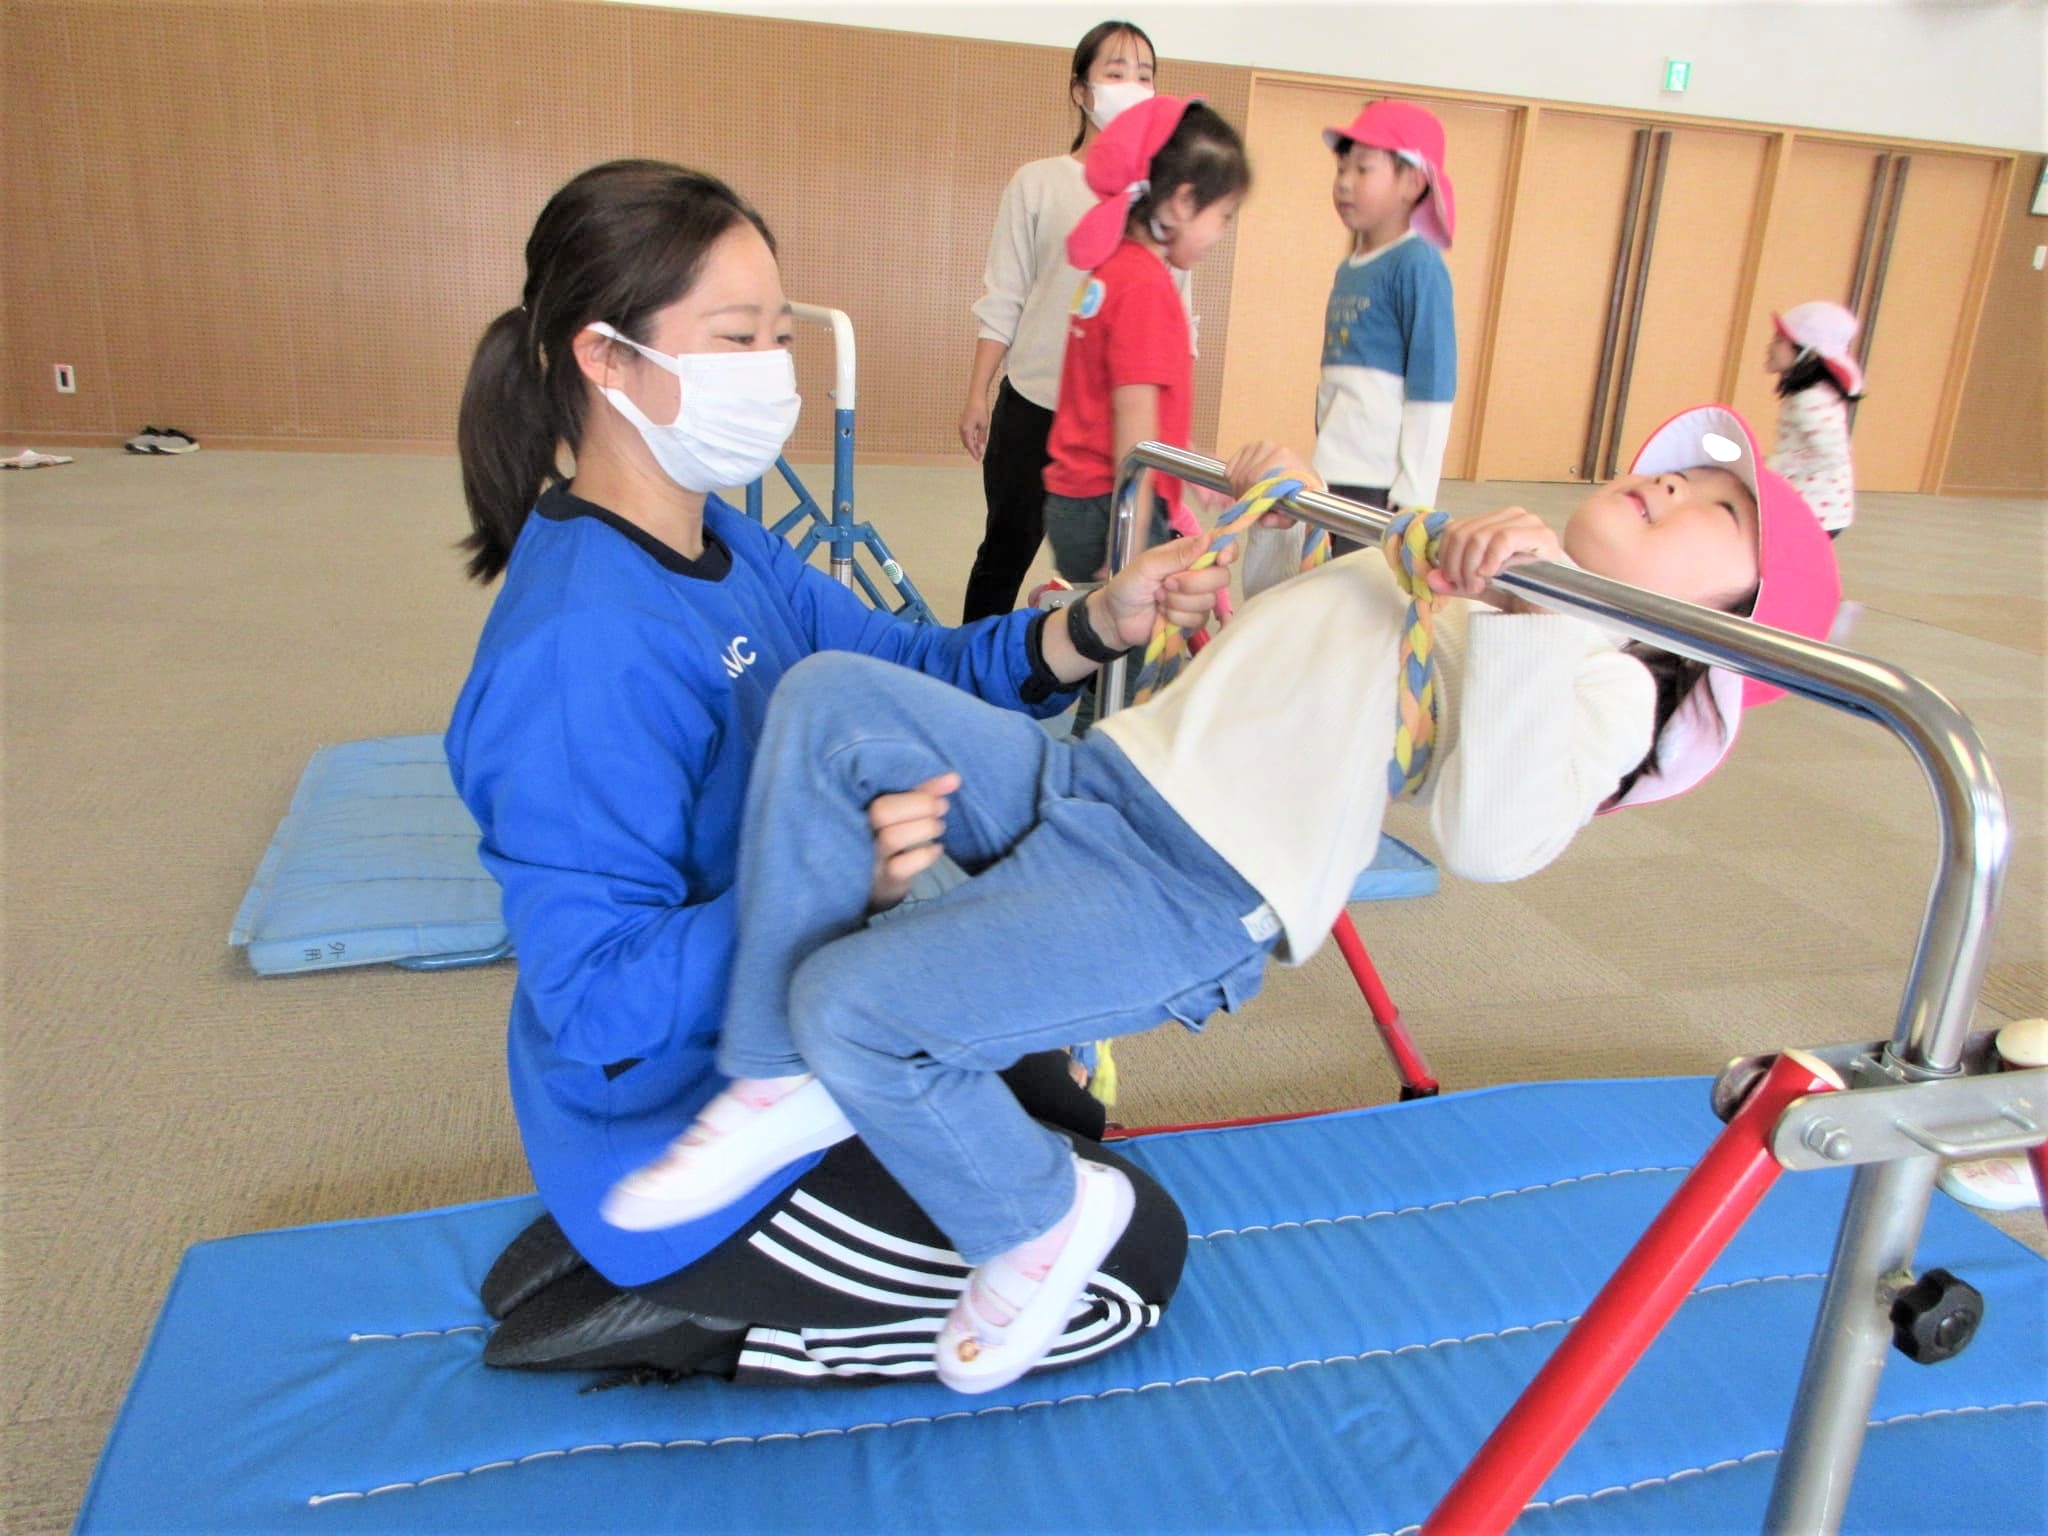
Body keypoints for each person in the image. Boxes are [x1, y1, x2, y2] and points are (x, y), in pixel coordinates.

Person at [602, 404, 1843, 1394]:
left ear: (1716, 627)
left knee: (853, 1009)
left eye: (1717, 505)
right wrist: (1286, 512)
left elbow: (1492, 839)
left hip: (1188, 887)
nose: (1669, 483)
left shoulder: (1604, 677)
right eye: (1678, 469)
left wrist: (1532, 617)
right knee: (830, 696)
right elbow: (1311, 644)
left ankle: (1037, 1221)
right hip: (1101, 780)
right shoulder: (1462, 567)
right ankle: (771, 1079)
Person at [445, 158, 1237, 1385]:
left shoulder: (723, 538)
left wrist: (1093, 623)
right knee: (1127, 1268)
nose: (774, 369)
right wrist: (832, 880)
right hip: (674, 1124)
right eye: (735, 338)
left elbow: (912, 674)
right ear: (606, 359)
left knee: (1058, 1105)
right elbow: (593, 999)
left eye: (779, 334)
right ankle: (686, 1305)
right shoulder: (575, 653)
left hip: (798, 1033)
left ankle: (661, 1239)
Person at [959, 19, 1186, 623]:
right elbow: (1005, 293)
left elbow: (1176, 319)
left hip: (1121, 419)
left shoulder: (1163, 193)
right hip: (1035, 403)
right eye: (1116, 72)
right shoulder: (1037, 182)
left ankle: (1096, 673)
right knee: (1005, 551)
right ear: (1082, 90)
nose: (1132, 86)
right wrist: (978, 391)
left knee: (1120, 566)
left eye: (1145, 75)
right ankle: (969, 666)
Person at [1040, 93, 1250, 730]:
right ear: (1181, 203)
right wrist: (1131, 547)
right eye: (1222, 216)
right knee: (1132, 672)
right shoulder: (1147, 288)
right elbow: (1136, 442)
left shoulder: (1109, 273)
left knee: (1117, 655)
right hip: (1114, 508)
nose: (1221, 233)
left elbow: (1110, 408)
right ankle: (1095, 764)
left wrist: (1184, 486)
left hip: (1077, 499)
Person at [1306, 100, 1457, 560]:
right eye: (1341, 169)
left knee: (1362, 589)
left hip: (1380, 485)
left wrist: (1414, 494)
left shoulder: (1418, 263)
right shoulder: (1350, 267)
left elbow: (1433, 385)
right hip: (1332, 471)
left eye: (1363, 169)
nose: (1344, 182)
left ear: (1413, 181)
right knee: (1324, 583)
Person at [1765, 300, 1863, 539]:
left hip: (1816, 509)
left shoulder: (1809, 399)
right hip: (1815, 506)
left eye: (1779, 340)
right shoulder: (1809, 393)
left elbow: (1833, 454)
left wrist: (1772, 466)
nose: (1770, 347)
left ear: (1807, 352)